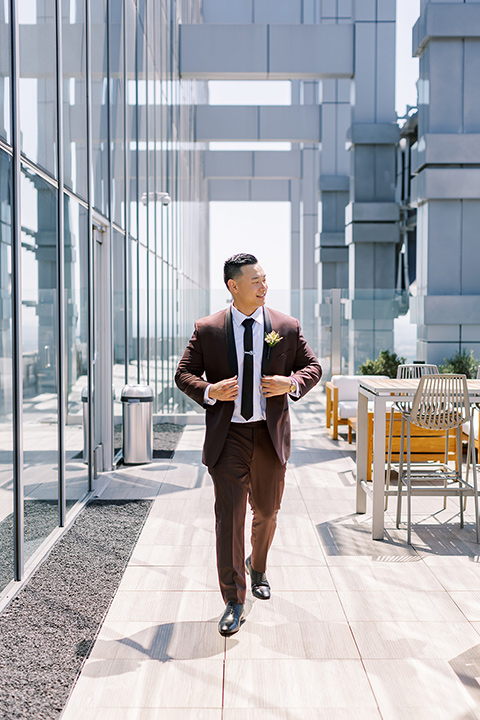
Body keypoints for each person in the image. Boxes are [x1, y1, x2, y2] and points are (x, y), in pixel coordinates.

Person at [175, 253, 321, 636]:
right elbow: (183, 374)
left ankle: (258, 566)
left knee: (268, 511)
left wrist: (290, 384)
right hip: (229, 437)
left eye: (264, 279)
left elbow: (313, 367)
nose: (263, 286)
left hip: (269, 436)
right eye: (255, 280)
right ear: (233, 286)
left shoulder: (285, 326)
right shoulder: (208, 329)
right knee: (230, 518)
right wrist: (210, 390)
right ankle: (234, 600)